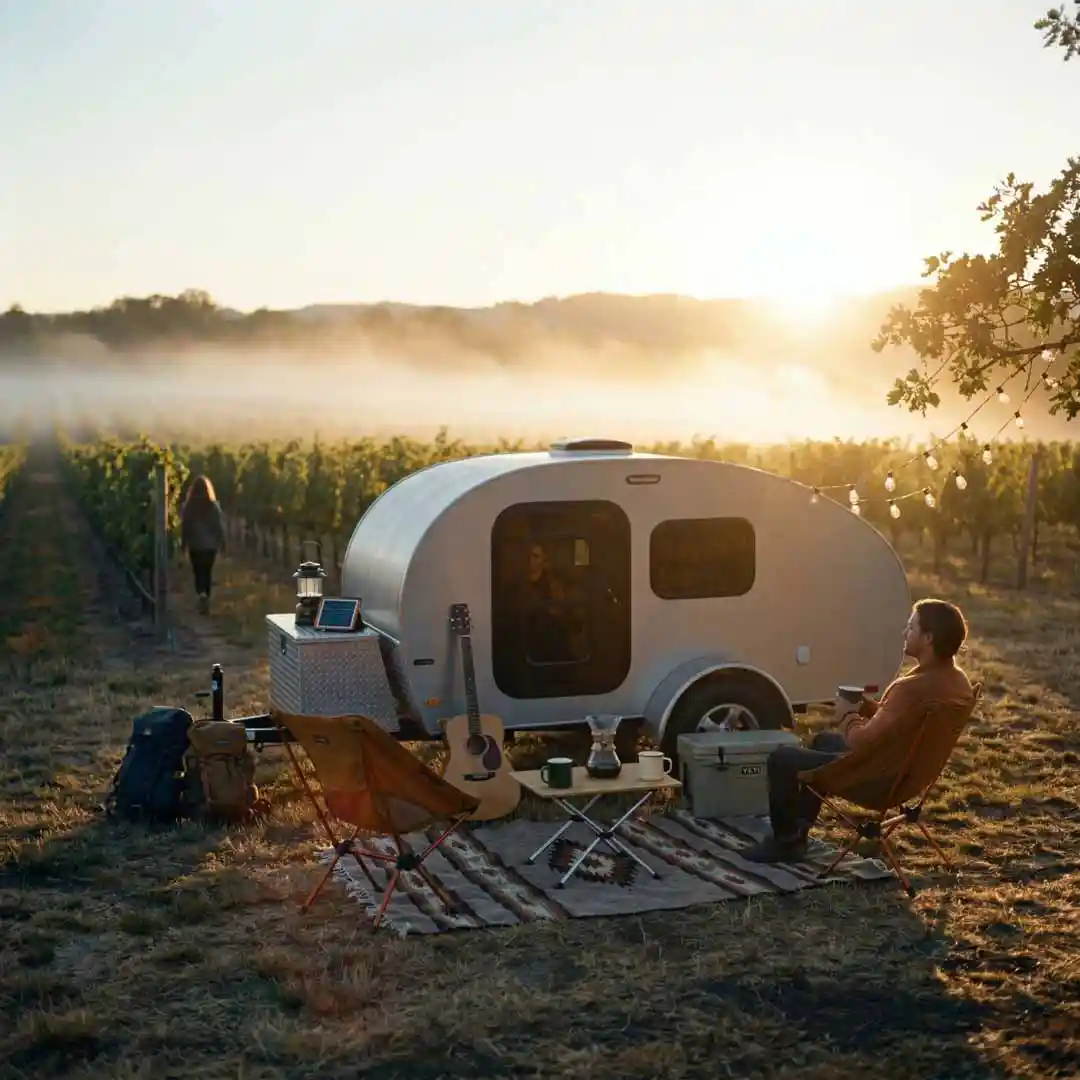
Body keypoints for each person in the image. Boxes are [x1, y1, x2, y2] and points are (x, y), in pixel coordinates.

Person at [743, 598, 976, 864]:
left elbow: (860, 742)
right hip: (908, 776)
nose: (904, 632)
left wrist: (847, 714)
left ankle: (785, 842)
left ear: (928, 638)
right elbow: (905, 723)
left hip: (877, 779)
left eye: (911, 627)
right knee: (823, 741)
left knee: (781, 760)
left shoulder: (910, 688)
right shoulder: (958, 682)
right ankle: (798, 834)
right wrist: (870, 709)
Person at [180, 475, 227, 614]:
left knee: (198, 571)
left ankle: (201, 594)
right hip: (210, 546)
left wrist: (183, 544)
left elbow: (185, 527)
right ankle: (205, 595)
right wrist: (222, 542)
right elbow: (218, 526)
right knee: (207, 571)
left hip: (195, 545)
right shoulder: (213, 506)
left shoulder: (189, 507)